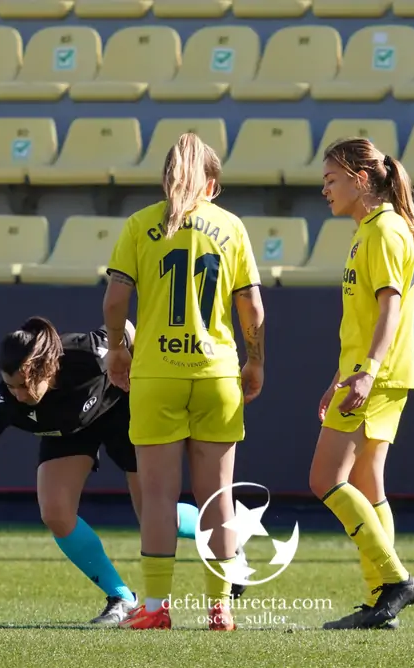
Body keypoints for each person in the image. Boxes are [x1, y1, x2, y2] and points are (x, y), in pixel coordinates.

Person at [0, 316, 240, 625]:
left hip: (123, 416)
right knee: (55, 513)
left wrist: (147, 378)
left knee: (152, 517)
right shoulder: (6, 401)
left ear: (48, 369)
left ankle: (227, 545)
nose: (17, 395)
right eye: (10, 385)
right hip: (67, 432)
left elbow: (126, 329)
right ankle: (121, 598)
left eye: (25, 386)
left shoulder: (87, 354)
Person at [102, 132, 266, 631]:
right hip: (216, 373)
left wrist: (116, 348)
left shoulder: (139, 225)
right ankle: (220, 610)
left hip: (156, 374)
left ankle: (154, 609)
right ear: (211, 184)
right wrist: (255, 360)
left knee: (157, 497)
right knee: (216, 496)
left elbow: (114, 302)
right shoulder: (231, 226)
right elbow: (253, 309)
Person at [308, 137, 414, 630]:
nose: (325, 189)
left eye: (331, 179)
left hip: (378, 376)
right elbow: (369, 319)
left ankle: (395, 581)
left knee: (325, 480)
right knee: (367, 482)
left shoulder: (383, 230)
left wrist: (364, 372)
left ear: (361, 180)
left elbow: (390, 309)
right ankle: (381, 599)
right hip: (380, 373)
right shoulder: (373, 228)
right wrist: (340, 375)